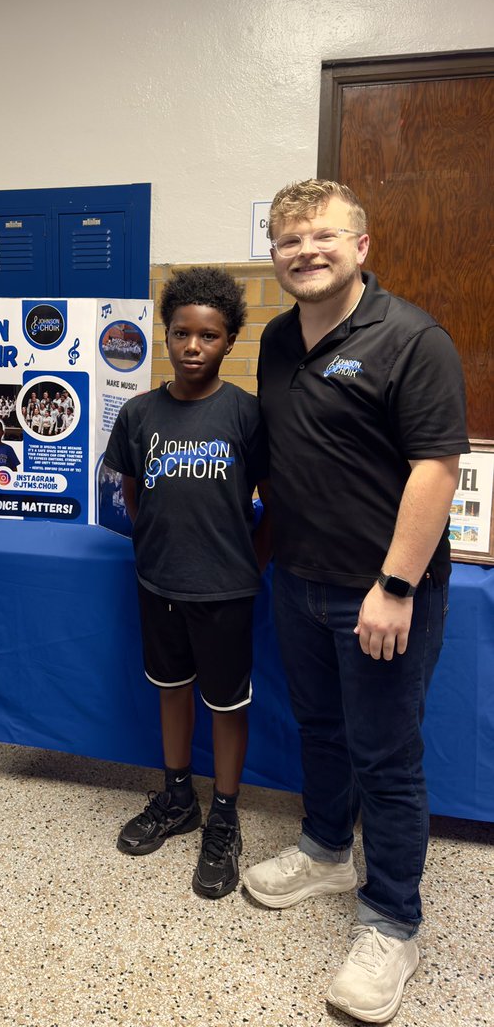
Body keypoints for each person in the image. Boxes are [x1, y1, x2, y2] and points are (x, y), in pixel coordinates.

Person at [242, 180, 468, 1024]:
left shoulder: (412, 338)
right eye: (288, 240)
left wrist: (396, 585)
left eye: (323, 236)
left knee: (386, 755)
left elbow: (436, 468)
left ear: (361, 246)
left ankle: (393, 923)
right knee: (322, 730)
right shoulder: (276, 338)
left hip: (383, 594)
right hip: (298, 581)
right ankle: (327, 850)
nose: (305, 252)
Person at [105, 266, 269, 899]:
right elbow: (132, 493)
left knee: (226, 704)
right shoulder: (139, 414)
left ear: (229, 340)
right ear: (166, 335)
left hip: (226, 589)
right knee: (171, 691)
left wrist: (249, 563)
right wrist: (157, 548)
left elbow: (275, 503)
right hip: (159, 583)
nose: (193, 346)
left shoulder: (246, 414)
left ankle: (224, 814)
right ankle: (179, 799)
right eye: (181, 333)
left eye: (209, 335)